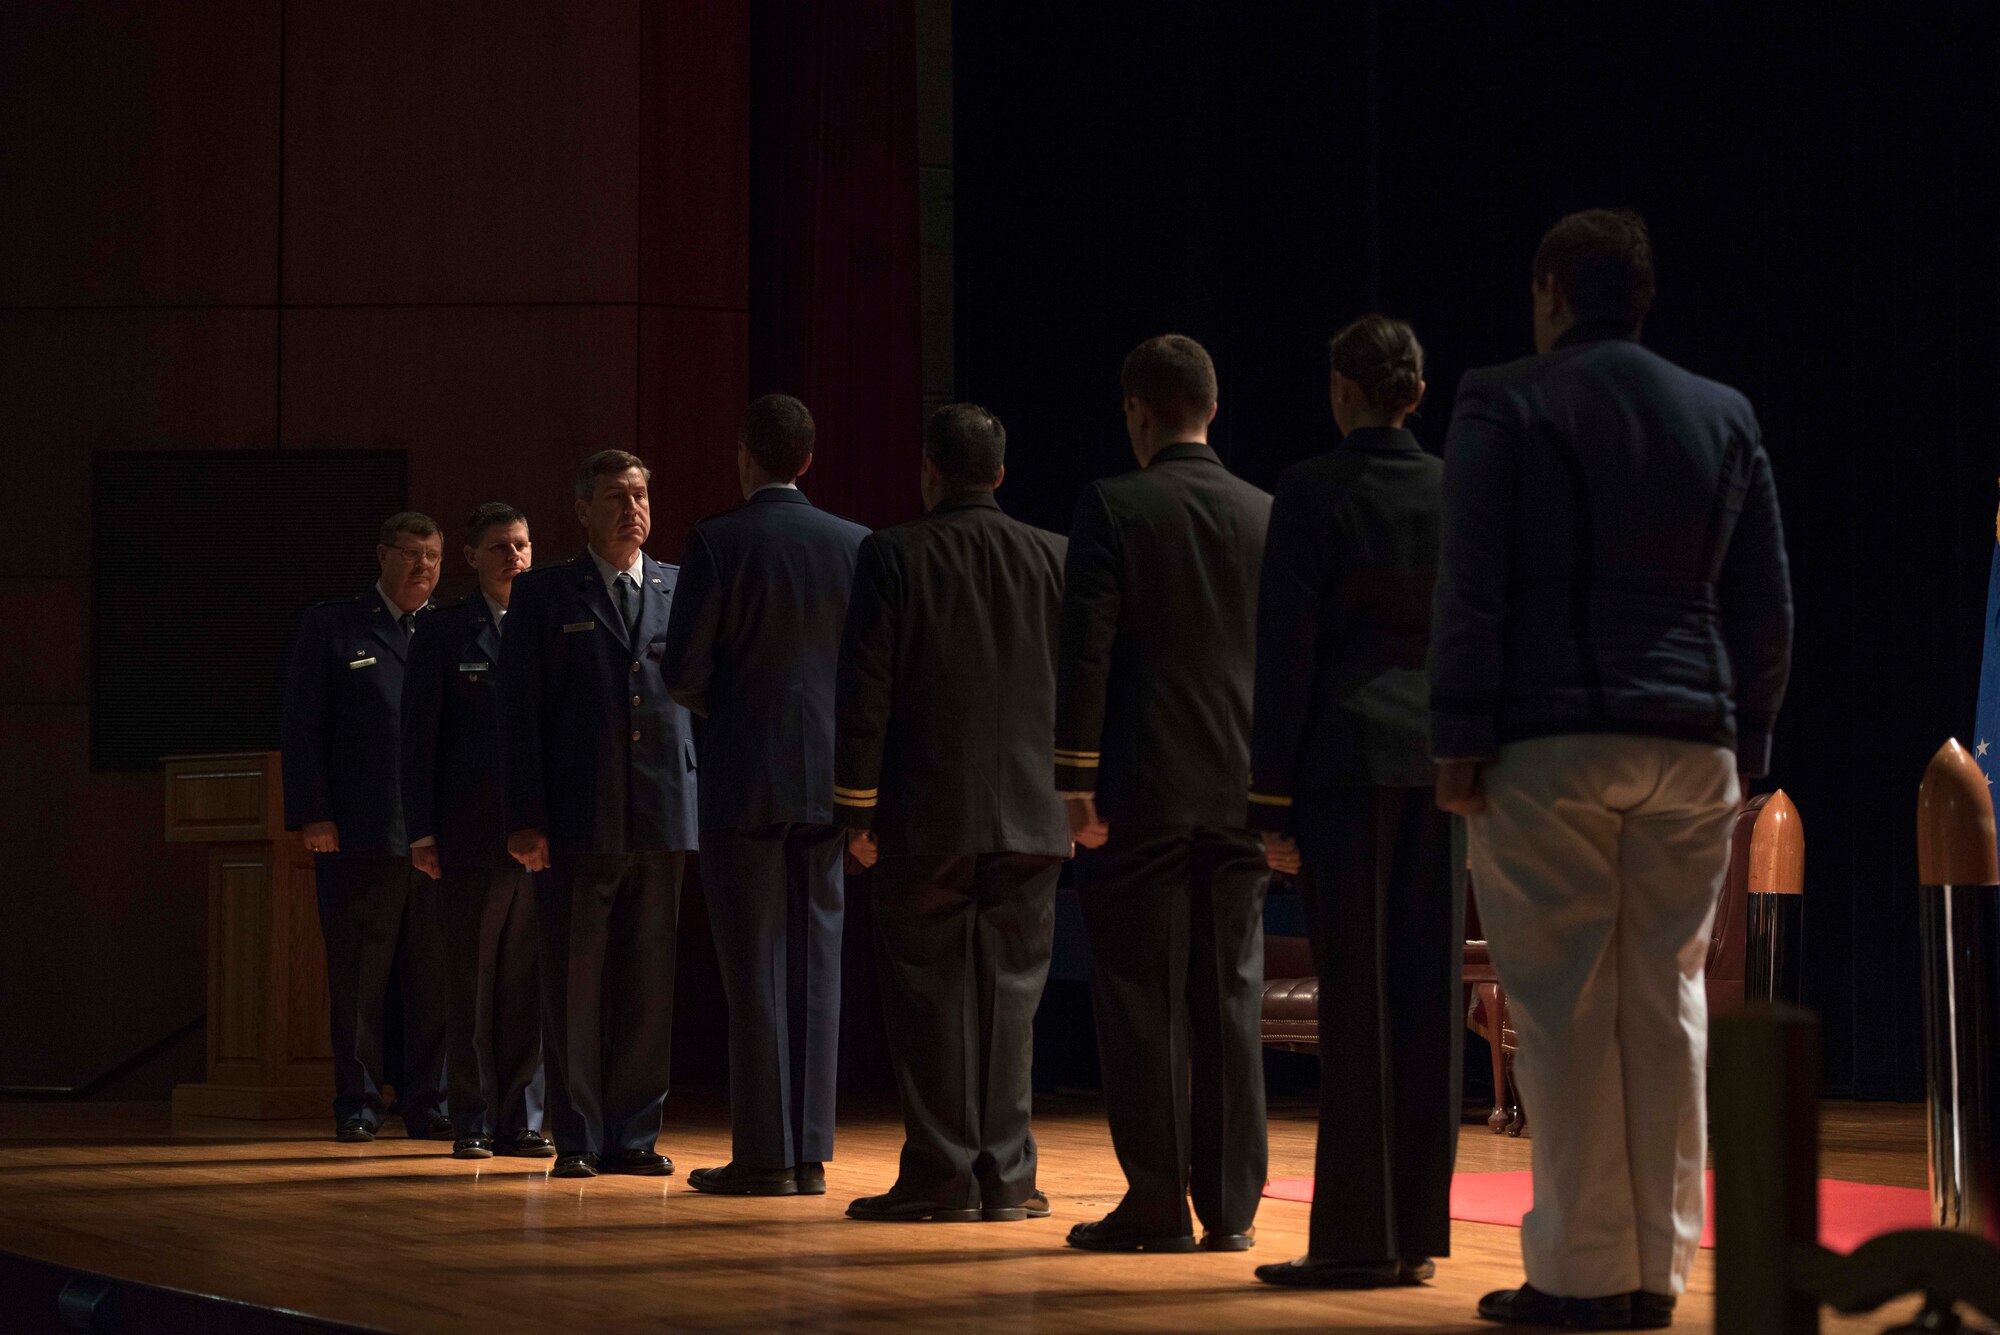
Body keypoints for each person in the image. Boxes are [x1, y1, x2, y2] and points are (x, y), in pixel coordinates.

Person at [1430, 210, 1792, 1331]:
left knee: (1562, 1007)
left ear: (1548, 289)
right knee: (1667, 998)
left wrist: (1455, 736)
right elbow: (1765, 607)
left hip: (1550, 739)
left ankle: (1582, 1277)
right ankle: (1658, 1271)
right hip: (1693, 742)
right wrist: (1751, 747)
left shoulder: (1504, 397)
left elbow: (1472, 582)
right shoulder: (1721, 412)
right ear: (1640, 298)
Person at [1247, 316, 1459, 1290]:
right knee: (1424, 998)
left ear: (1341, 390)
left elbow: (1285, 658)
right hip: (1440, 773)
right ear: (1414, 392)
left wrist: (1266, 804)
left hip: (1339, 771)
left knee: (1355, 1002)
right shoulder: (1458, 486)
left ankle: (1349, 1238)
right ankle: (1415, 1234)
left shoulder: (1309, 489)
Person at [1056, 334, 1274, 1253]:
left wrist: (1074, 781)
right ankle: (1230, 1207)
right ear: (1213, 409)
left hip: (1140, 790)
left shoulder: (1114, 503)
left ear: (1138, 412)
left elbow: (1088, 654)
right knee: (1229, 996)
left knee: (1142, 997)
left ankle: (1154, 1204)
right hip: (1241, 792)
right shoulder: (1268, 512)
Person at [834, 403, 1070, 1224]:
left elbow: (866, 691)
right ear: (1001, 473)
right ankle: (1007, 1177)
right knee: (1012, 1001)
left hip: (924, 815)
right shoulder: (1056, 556)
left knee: (931, 999)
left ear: (928, 469)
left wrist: (855, 808)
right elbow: (1082, 692)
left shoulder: (893, 552)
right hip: (1037, 818)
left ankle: (940, 1174)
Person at [657, 395, 868, 1198]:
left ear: (745, 454)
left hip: (743, 776)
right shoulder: (855, 543)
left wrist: (731, 707)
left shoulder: (717, 539)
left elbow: (682, 671)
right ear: (808, 459)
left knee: (754, 967)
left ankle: (764, 1156)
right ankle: (810, 1154)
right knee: (818, 963)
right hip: (828, 782)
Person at [500, 451, 700, 1179]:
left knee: (649, 984)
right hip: (577, 820)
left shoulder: (681, 586)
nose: (633, 508)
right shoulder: (547, 592)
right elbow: (518, 716)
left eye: (642, 494)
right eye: (617, 496)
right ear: (583, 509)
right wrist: (524, 817)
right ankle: (579, 1136)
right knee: (575, 984)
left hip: (662, 814)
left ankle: (635, 1136)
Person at [281, 512, 452, 1143]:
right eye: (410, 554)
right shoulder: (333, 625)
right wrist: (314, 813)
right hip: (358, 833)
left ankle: (426, 1101)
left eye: (433, 557)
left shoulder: (446, 629)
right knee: (358, 979)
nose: (422, 568)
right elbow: (304, 727)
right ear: (382, 555)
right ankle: (356, 1101)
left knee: (431, 980)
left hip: (434, 838)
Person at [401, 502, 552, 1161]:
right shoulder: (443, 633)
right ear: (472, 556)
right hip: (469, 834)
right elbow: (419, 741)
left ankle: (522, 1118)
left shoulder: (551, 621)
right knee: (471, 985)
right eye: (499, 547)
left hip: (543, 839)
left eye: (521, 545)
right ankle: (472, 1118)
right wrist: (422, 832)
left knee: (528, 988)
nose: (514, 557)